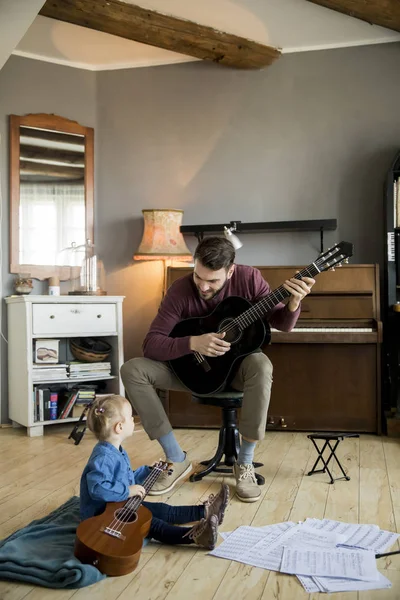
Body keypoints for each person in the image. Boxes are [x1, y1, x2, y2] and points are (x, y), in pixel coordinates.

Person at [121, 237, 315, 503]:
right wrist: (192, 343)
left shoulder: (249, 279)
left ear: (231, 271)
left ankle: (244, 464)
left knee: (261, 363)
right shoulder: (180, 290)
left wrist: (293, 304)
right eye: (199, 276)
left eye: (212, 281)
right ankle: (176, 459)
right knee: (132, 369)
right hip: (193, 372)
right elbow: (151, 344)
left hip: (236, 372)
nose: (203, 286)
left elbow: (282, 322)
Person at [80, 394, 229, 550]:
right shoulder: (103, 457)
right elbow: (98, 489)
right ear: (119, 427)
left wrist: (148, 471)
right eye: (130, 417)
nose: (133, 420)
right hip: (101, 516)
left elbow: (124, 478)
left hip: (118, 503)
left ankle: (205, 511)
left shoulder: (115, 450)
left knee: (163, 509)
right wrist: (127, 491)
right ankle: (197, 536)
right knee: (153, 523)